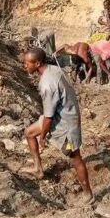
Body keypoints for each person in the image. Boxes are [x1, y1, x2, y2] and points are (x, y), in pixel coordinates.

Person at [20, 48, 93, 205]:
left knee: (75, 156)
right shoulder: (52, 68)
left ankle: (88, 194)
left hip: (66, 122)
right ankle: (38, 169)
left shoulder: (47, 85)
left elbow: (48, 117)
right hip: (61, 113)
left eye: (27, 63)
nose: (24, 66)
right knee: (29, 132)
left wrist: (43, 137)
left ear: (37, 63)